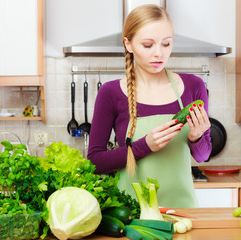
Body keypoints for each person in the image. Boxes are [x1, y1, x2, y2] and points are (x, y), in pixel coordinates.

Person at [87, 4, 212, 208]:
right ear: (128, 44)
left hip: (182, 209)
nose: (159, 54)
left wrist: (196, 137)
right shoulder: (110, 93)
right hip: (131, 213)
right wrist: (144, 146)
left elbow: (203, 155)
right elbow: (95, 162)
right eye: (148, 45)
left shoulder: (194, 86)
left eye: (166, 44)